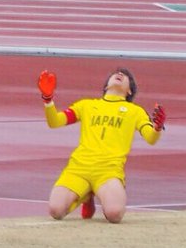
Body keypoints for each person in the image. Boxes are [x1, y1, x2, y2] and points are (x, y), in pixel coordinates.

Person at [39, 67, 166, 223]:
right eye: (116, 74)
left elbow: (151, 138)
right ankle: (85, 196)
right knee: (56, 211)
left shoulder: (135, 111)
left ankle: (90, 193)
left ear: (129, 92)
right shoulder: (86, 105)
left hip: (108, 172)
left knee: (114, 214)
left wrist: (157, 128)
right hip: (78, 168)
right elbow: (55, 122)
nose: (120, 74)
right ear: (106, 86)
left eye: (125, 76)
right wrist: (48, 100)